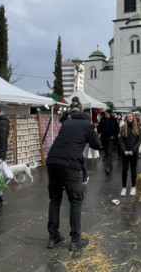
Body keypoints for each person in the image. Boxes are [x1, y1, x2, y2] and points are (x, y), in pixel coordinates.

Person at [45, 107, 102, 251]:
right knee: (75, 200)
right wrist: (93, 131)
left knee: (55, 199)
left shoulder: (67, 123)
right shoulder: (87, 125)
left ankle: (53, 237)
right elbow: (97, 145)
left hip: (52, 161)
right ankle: (75, 240)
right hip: (70, 164)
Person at [119, 113, 141, 197]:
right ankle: (123, 188)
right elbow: (121, 140)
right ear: (126, 118)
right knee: (124, 169)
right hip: (125, 153)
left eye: (130, 116)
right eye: (128, 117)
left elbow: (139, 141)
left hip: (133, 152)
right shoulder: (123, 128)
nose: (129, 118)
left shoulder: (138, 128)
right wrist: (124, 150)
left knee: (133, 169)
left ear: (133, 118)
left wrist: (132, 150)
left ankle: (133, 187)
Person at [98, 110, 120, 175]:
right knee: (106, 152)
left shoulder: (114, 120)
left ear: (110, 114)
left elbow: (117, 129)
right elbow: (99, 127)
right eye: (105, 113)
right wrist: (99, 131)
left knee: (109, 151)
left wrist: (113, 136)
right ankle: (110, 165)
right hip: (103, 138)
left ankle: (108, 167)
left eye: (107, 113)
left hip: (110, 138)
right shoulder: (103, 120)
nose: (106, 114)